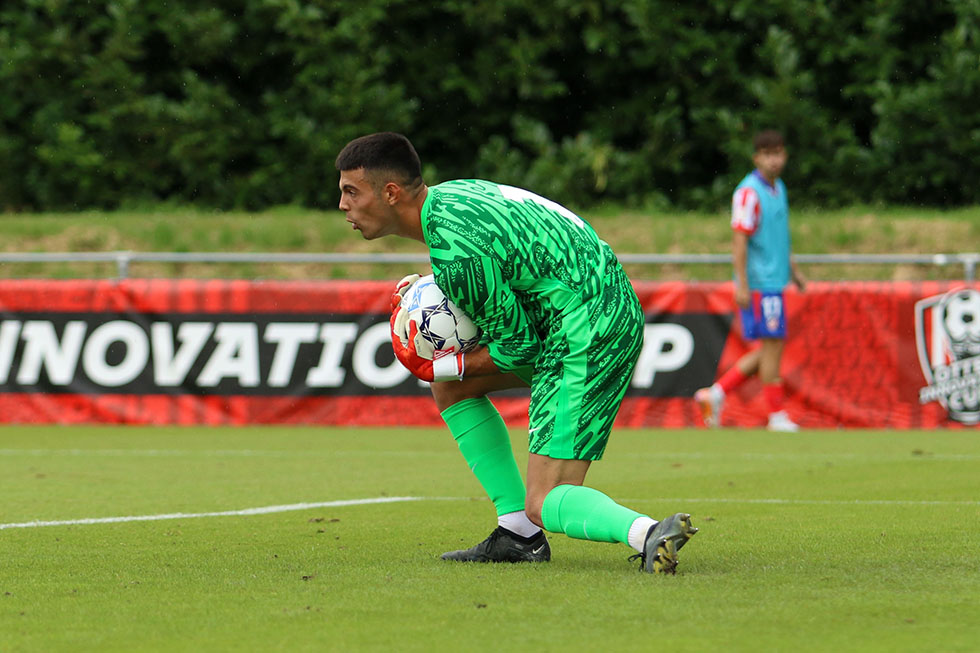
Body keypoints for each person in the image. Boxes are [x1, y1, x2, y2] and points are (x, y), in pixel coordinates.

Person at [335, 132, 697, 574]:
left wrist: (438, 361)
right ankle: (517, 535)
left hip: (586, 329)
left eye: (351, 191)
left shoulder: (456, 253)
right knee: (450, 390)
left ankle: (648, 533)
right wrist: (447, 368)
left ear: (390, 193)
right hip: (597, 308)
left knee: (545, 501)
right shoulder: (453, 198)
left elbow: (519, 349)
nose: (343, 205)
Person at [694, 130, 806, 432]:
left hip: (775, 282)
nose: (774, 160)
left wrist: (793, 270)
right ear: (757, 157)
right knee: (772, 347)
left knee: (771, 347)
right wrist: (742, 283)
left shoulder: (778, 188)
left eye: (779, 153)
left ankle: (714, 394)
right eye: (768, 154)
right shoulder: (748, 193)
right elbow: (739, 241)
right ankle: (776, 415)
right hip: (760, 284)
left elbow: (778, 237)